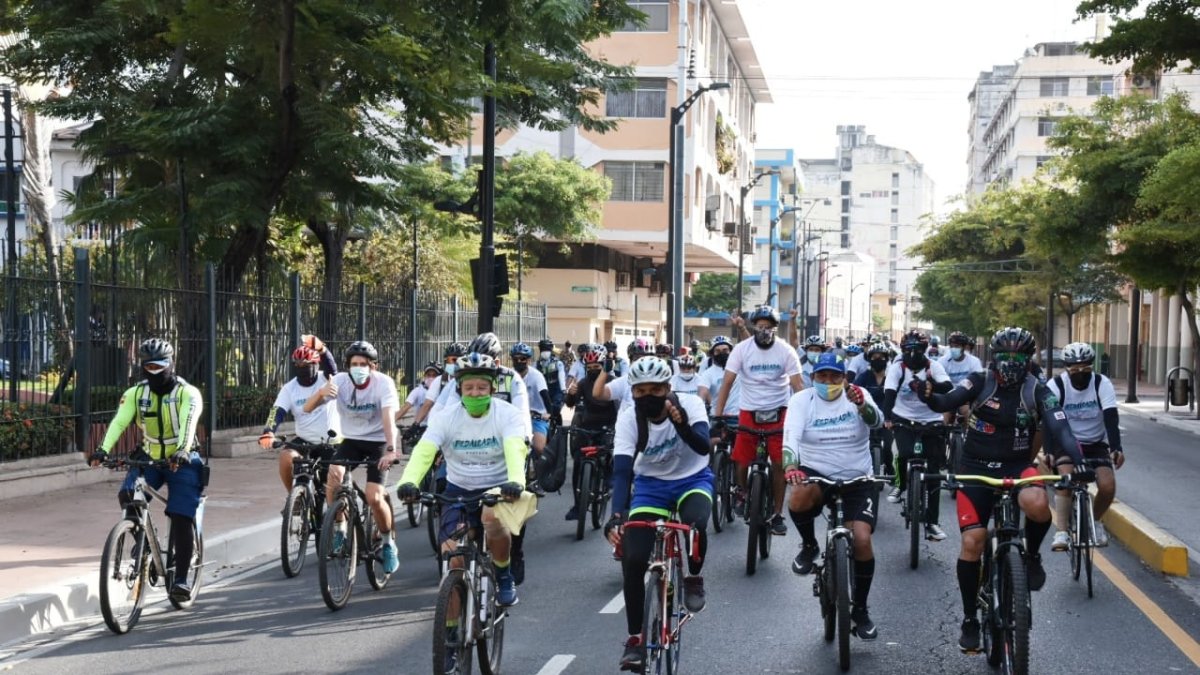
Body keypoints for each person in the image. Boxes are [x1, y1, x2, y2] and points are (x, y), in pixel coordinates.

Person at [915, 327, 1093, 654]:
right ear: (994, 358)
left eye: (1019, 357)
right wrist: (926, 395)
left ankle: (1033, 556)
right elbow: (946, 400)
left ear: (1029, 360)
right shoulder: (979, 381)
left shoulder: (1037, 389)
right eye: (1005, 357)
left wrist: (1079, 462)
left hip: (1016, 466)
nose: (1011, 363)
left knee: (1040, 506)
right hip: (974, 468)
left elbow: (1061, 427)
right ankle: (970, 618)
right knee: (973, 540)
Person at [394, 352, 533, 673]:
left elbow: (515, 447)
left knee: (490, 518)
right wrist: (410, 481)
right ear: (458, 389)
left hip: (498, 487)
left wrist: (515, 481)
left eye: (481, 388)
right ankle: (453, 632)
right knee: (452, 558)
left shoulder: (507, 414)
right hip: (457, 490)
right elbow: (426, 450)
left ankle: (502, 572)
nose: (474, 394)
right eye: (468, 388)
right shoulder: (446, 416)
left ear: (491, 388)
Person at [604, 357, 712, 672]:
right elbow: (622, 473)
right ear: (633, 393)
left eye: (656, 389)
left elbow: (704, 446)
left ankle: (692, 578)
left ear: (668, 388)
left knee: (695, 524)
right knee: (634, 559)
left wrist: (680, 425)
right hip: (651, 487)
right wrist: (616, 516)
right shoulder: (627, 420)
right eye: (641, 391)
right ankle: (635, 640)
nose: (648, 396)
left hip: (693, 479)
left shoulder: (690, 404)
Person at [89, 338, 205, 602]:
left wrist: (182, 451)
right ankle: (141, 543)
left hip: (182, 459)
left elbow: (188, 426)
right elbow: (119, 422)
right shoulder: (135, 394)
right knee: (128, 494)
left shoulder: (188, 393)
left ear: (171, 364)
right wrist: (102, 449)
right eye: (149, 366)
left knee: (181, 516)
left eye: (160, 366)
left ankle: (182, 579)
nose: (154, 372)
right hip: (149, 456)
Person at [783, 352, 885, 639]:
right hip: (817, 473)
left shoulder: (858, 394)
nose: (828, 382)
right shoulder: (801, 400)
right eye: (822, 376)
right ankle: (809, 545)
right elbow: (790, 435)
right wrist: (790, 465)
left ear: (844, 378)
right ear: (813, 377)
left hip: (857, 478)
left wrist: (862, 406)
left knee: (862, 540)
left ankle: (861, 610)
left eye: (834, 376)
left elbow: (878, 422)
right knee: (798, 497)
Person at [305, 340, 401, 574]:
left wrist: (391, 449)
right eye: (353, 364)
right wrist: (320, 394)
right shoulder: (338, 382)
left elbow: (389, 418)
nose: (358, 368)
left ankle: (388, 544)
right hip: (351, 441)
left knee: (374, 497)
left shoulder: (384, 384)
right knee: (334, 475)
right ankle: (339, 529)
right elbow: (307, 408)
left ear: (373, 366)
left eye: (363, 364)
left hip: (378, 441)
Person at [713, 305, 804, 535]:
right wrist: (718, 414)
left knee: (778, 463)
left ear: (775, 328)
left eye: (769, 327)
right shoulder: (742, 350)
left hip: (779, 412)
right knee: (741, 458)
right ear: (754, 327)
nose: (764, 330)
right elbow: (727, 383)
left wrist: (803, 416)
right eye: (760, 326)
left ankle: (777, 513)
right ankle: (742, 492)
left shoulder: (786, 351)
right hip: (749, 412)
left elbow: (798, 386)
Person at [1046, 342, 1124, 551]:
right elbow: (1048, 421)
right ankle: (1061, 531)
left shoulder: (1101, 383)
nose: (1080, 372)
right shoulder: (1056, 386)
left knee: (1108, 486)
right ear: (1066, 367)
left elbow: (1110, 417)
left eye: (1085, 368)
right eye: (1074, 368)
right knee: (1065, 478)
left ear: (1092, 365)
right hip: (1066, 442)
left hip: (1095, 443)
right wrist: (1049, 452)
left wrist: (1116, 447)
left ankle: (1095, 521)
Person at [882, 330, 953, 542]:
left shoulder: (934, 366)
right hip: (904, 418)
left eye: (917, 350)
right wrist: (887, 418)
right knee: (904, 453)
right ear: (902, 351)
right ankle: (901, 484)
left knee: (933, 473)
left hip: (931, 420)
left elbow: (948, 387)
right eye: (908, 350)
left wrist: (932, 384)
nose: (912, 355)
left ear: (925, 351)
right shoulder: (897, 368)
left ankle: (932, 522)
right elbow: (889, 393)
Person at [259, 339, 340, 493]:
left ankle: (338, 516)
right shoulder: (290, 388)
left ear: (316, 364)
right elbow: (277, 411)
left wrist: (322, 349)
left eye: (307, 365)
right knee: (285, 456)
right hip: (305, 442)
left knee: (333, 493)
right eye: (298, 365)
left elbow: (332, 368)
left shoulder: (327, 379)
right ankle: (294, 498)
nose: (302, 368)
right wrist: (268, 431)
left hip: (331, 442)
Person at [564, 343, 619, 520]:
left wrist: (617, 427)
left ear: (604, 367)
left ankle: (609, 478)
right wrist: (571, 394)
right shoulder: (582, 383)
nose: (593, 370)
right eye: (590, 368)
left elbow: (620, 407)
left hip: (608, 426)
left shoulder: (612, 381)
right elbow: (570, 404)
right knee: (578, 463)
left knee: (610, 452)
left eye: (597, 367)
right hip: (586, 427)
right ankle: (576, 504)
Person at [854, 342, 895, 477]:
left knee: (888, 448)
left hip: (888, 418)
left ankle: (889, 467)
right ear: (869, 359)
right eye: (874, 357)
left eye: (881, 357)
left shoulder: (891, 377)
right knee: (864, 446)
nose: (877, 360)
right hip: (869, 417)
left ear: (887, 359)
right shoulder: (864, 376)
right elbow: (855, 393)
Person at [511, 342, 554, 460]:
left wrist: (549, 414)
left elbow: (545, 396)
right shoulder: (509, 375)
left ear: (529, 360)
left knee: (539, 448)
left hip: (536, 417)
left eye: (522, 358)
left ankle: (540, 473)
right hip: (515, 417)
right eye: (516, 359)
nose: (519, 361)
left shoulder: (536, 376)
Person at [411, 342, 467, 427]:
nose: (452, 364)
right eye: (449, 361)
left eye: (456, 360)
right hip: (442, 427)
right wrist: (415, 425)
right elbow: (427, 405)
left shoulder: (469, 381)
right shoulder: (440, 380)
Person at [538, 338, 567, 423]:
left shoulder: (558, 363)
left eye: (546, 349)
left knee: (556, 410)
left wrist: (564, 390)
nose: (544, 352)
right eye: (543, 349)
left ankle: (559, 429)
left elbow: (561, 377)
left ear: (551, 350)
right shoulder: (536, 364)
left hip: (556, 391)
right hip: (543, 391)